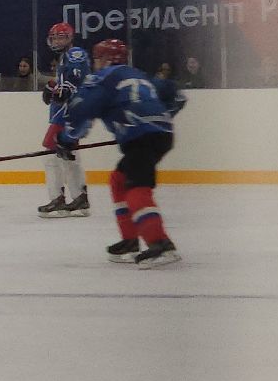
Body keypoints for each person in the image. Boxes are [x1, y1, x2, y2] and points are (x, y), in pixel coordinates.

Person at [57, 39, 185, 268]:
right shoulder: (138, 74)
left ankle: (160, 244)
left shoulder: (103, 78)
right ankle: (129, 240)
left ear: (105, 59)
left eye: (96, 59)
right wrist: (155, 119)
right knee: (119, 180)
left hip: (142, 138)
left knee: (136, 188)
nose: (95, 64)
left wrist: (66, 140)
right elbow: (176, 95)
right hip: (158, 134)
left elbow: (82, 110)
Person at [38, 22, 92, 219]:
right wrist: (52, 85)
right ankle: (79, 198)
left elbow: (76, 77)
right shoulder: (64, 57)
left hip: (67, 112)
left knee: (51, 153)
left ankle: (58, 199)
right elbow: (65, 80)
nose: (57, 40)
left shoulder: (75, 53)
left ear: (69, 37)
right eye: (54, 37)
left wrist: (64, 89)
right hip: (66, 111)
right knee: (68, 154)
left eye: (61, 37)